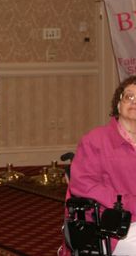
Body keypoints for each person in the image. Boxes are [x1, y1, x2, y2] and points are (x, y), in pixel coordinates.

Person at [68, 75, 136, 255]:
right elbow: (82, 184)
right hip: (115, 225)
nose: (134, 102)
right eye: (129, 96)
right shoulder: (96, 140)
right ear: (118, 104)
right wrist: (125, 202)